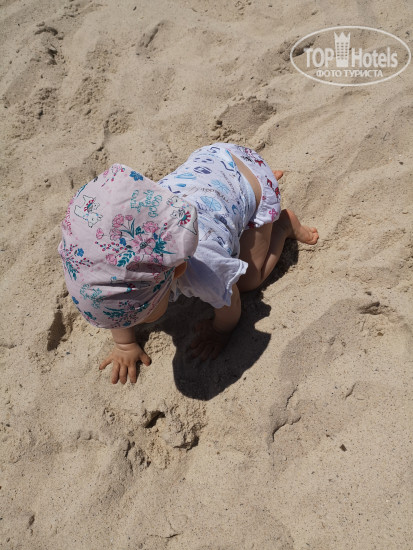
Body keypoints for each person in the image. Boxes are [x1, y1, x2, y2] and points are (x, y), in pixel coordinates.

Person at [58, 142, 318, 384]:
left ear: (178, 269)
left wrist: (220, 331)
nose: (131, 322)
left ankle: (283, 225)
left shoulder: (205, 270)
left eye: (141, 316)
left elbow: (231, 304)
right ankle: (243, 182)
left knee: (248, 280)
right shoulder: (135, 229)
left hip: (254, 188)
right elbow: (118, 298)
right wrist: (124, 344)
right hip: (212, 161)